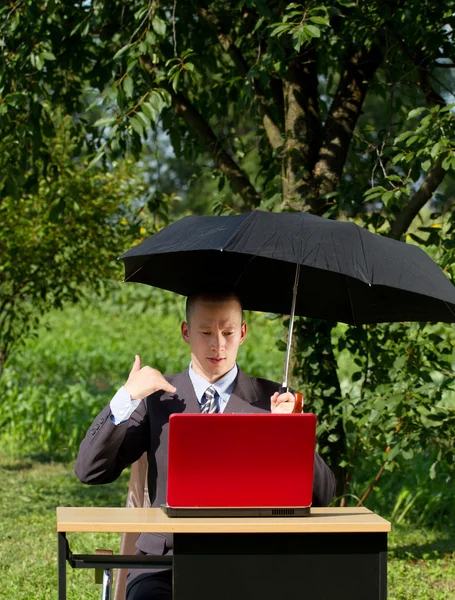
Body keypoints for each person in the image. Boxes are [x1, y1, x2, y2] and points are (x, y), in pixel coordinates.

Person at [75, 291, 336, 599]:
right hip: (165, 563)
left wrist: (292, 432)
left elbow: (323, 495)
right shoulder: (157, 399)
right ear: (186, 332)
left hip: (249, 561)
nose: (218, 345)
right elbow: (90, 471)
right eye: (206, 332)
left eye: (227, 332)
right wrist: (126, 397)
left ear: (242, 332)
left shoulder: (272, 401)